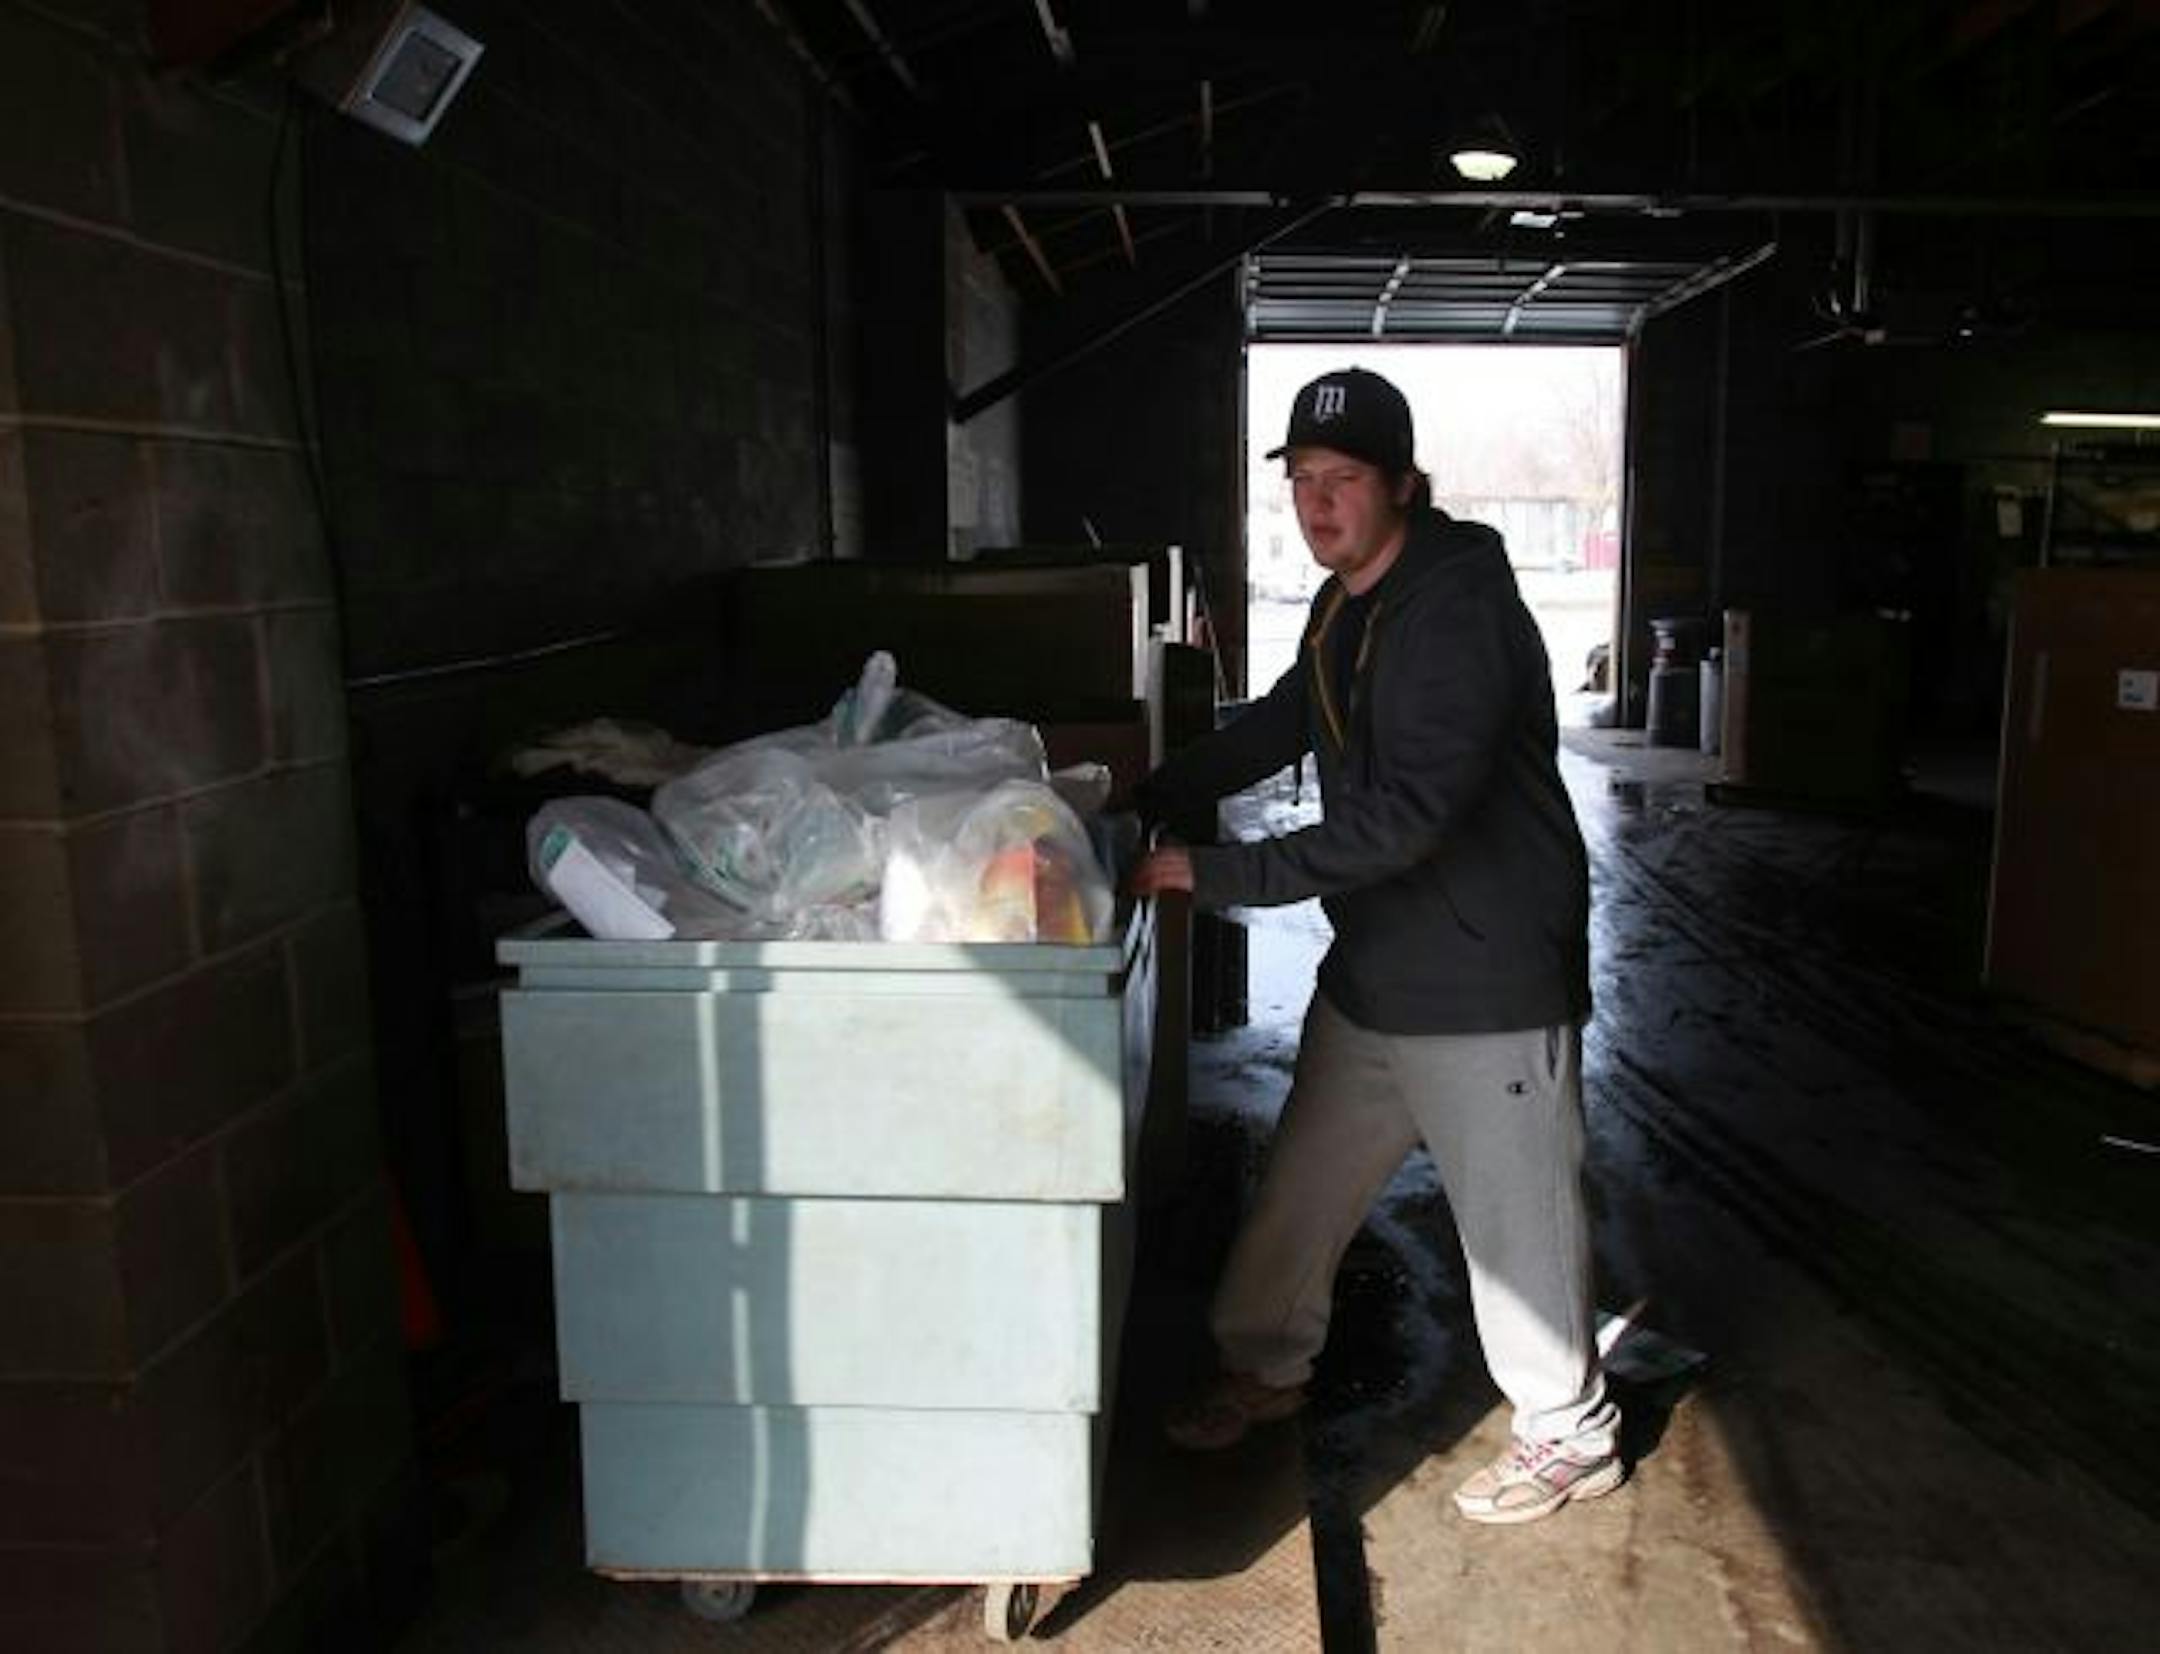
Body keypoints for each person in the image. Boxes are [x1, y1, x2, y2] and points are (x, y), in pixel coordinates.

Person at [1127, 366, 1621, 1525]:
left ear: (1404, 484)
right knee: (1302, 1190)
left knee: (1517, 1221)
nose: (1318, 505)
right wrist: (1153, 791)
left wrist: (1221, 872)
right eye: (1301, 481)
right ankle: (1265, 1365)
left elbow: (1406, 817)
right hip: (1380, 968)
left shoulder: (1459, 611)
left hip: (1483, 969)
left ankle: (1569, 1428)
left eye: (1342, 480)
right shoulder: (1347, 599)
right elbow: (1290, 715)